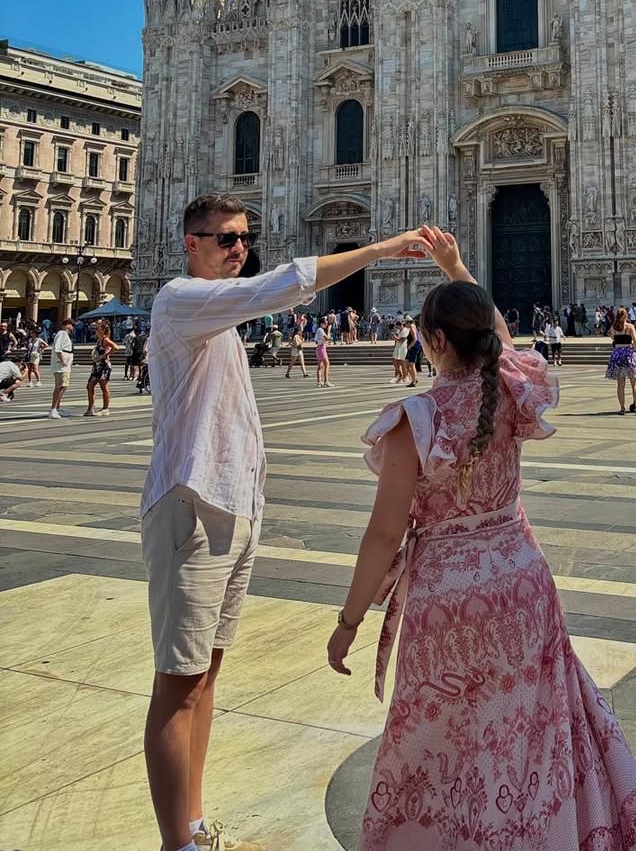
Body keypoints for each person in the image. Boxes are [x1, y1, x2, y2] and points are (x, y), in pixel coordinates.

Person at [327, 225, 636, 849]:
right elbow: (503, 342)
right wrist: (458, 269)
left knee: (444, 732)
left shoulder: (415, 421)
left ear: (430, 342)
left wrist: (349, 621)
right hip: (521, 583)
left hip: (447, 602)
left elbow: (381, 534)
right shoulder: (509, 394)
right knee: (526, 729)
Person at [139, 191, 426, 851]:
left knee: (204, 677)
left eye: (244, 239)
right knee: (177, 683)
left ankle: (195, 822)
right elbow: (284, 287)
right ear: (192, 243)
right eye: (224, 239)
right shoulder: (181, 299)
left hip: (229, 509)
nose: (238, 248)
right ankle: (175, 843)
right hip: (190, 507)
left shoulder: (217, 318)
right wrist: (382, 249)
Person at [606, 307, 636, 415]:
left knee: (620, 384)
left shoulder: (613, 327)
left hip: (617, 354)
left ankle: (622, 408)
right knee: (635, 382)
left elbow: (613, 339)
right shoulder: (630, 327)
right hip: (628, 354)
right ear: (626, 315)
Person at [86, 318, 120, 418]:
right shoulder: (99, 340)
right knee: (90, 386)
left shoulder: (105, 339)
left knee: (103, 385)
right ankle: (90, 408)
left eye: (98, 328)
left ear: (103, 330)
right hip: (97, 365)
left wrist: (107, 354)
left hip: (104, 366)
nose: (96, 330)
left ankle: (105, 408)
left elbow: (116, 347)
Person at [48, 316, 75, 418]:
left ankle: (57, 408)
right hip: (61, 365)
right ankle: (53, 409)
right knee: (60, 386)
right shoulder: (62, 334)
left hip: (65, 365)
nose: (72, 327)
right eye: (71, 325)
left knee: (63, 386)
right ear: (67, 325)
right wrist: (63, 360)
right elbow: (58, 349)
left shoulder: (65, 335)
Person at [313, 319, 332, 387]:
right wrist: (329, 330)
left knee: (320, 366)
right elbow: (327, 338)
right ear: (321, 323)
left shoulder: (319, 330)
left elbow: (316, 341)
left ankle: (319, 382)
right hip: (321, 348)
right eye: (325, 323)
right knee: (327, 364)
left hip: (319, 348)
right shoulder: (320, 330)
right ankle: (326, 381)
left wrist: (322, 341)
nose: (326, 325)